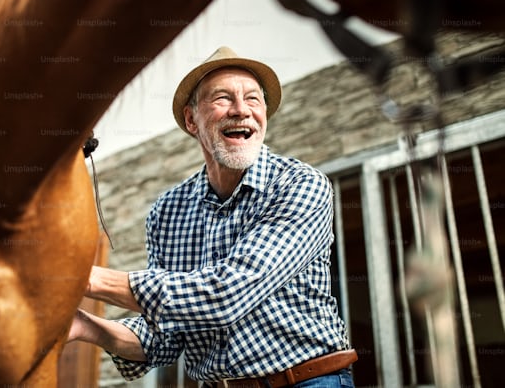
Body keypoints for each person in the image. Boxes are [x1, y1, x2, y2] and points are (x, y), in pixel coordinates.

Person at [68, 46, 357, 387]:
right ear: (192, 120)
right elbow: (163, 340)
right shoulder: (167, 213)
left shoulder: (300, 185)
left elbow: (228, 294)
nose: (241, 110)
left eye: (253, 99)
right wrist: (85, 326)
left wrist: (82, 279)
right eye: (222, 98)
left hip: (308, 382)